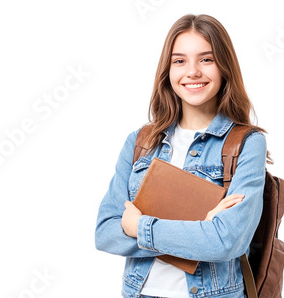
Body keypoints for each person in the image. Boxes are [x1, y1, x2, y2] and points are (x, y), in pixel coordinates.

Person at [95, 14, 267, 298]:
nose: (192, 72)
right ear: (168, 70)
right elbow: (105, 233)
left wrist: (138, 226)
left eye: (206, 59)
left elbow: (226, 242)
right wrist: (201, 227)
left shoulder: (246, 143)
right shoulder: (141, 142)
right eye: (180, 61)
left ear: (225, 67)